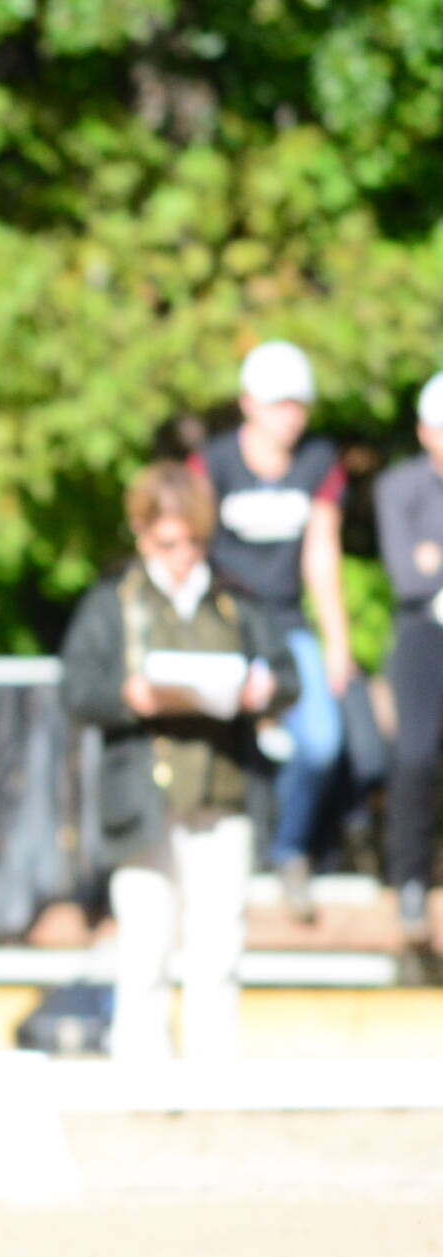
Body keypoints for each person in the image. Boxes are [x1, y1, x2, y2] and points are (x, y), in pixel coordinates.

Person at [60, 462, 296, 1062]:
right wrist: (127, 696)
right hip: (144, 797)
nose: (184, 555)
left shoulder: (235, 600)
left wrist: (259, 691)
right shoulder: (113, 603)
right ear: (142, 534)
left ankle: (211, 1072)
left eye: (195, 541)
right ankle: (142, 1072)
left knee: (219, 945)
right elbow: (76, 688)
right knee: (146, 944)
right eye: (170, 542)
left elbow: (287, 676)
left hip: (223, 788)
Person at [193, 340, 350, 915]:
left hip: (287, 625)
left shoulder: (316, 464)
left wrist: (337, 642)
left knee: (322, 743)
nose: (292, 416)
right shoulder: (211, 464)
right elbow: (192, 551)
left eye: (299, 405)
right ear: (249, 405)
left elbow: (322, 557)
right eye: (280, 403)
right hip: (224, 626)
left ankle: (288, 850)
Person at [376, 371, 443, 946]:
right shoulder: (400, 488)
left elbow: (427, 566)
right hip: (424, 633)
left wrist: (434, 556)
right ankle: (410, 882)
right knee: (415, 755)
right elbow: (408, 576)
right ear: (425, 432)